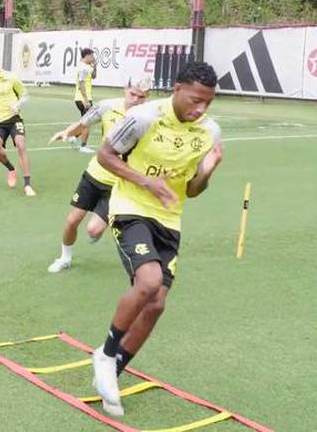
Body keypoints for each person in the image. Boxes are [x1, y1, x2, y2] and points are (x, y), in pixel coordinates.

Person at [90, 62, 224, 417]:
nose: (201, 109)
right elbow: (105, 155)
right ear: (177, 88)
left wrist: (209, 169)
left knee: (156, 305)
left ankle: (112, 374)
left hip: (170, 218)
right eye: (196, 100)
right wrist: (145, 182)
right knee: (148, 283)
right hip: (131, 205)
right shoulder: (145, 116)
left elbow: (192, 190)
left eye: (208, 103)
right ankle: (105, 354)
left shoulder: (208, 132)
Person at [47, 76, 151, 273]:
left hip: (118, 184)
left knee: (93, 230)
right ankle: (64, 258)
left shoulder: (149, 118)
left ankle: (104, 226)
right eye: (133, 94)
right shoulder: (107, 107)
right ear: (125, 89)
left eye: (141, 97)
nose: (136, 100)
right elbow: (83, 122)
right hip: (94, 175)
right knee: (72, 221)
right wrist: (67, 132)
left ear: (147, 97)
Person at [0, 52, 35, 197]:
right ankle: (11, 169)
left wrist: (18, 105)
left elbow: (25, 95)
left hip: (14, 118)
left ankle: (27, 185)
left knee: (20, 145)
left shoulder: (11, 77)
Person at [73, 48, 97, 154]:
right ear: (86, 56)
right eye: (91, 56)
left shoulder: (87, 67)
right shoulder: (83, 68)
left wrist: (95, 67)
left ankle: (74, 137)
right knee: (88, 122)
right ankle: (83, 146)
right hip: (83, 98)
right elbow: (81, 83)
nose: (93, 58)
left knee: (84, 121)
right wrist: (86, 99)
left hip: (82, 98)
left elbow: (94, 76)